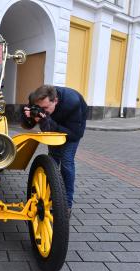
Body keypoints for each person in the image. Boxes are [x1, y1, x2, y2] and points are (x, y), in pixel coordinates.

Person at [21, 85, 88, 215]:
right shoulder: (35, 99)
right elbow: (27, 124)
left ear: (55, 101)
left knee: (67, 162)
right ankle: (49, 196)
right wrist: (30, 118)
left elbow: (75, 134)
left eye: (45, 108)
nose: (42, 110)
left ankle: (67, 205)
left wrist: (47, 120)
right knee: (52, 158)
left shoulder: (72, 103)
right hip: (54, 122)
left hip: (73, 125)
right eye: (40, 108)